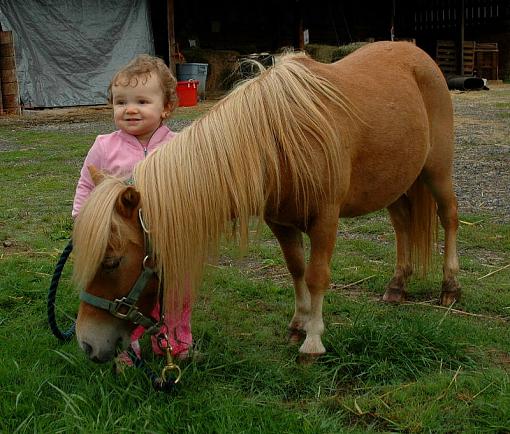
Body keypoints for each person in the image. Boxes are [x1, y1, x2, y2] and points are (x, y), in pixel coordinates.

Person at [72, 54, 192, 362]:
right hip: (125, 239)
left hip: (167, 239)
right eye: (120, 102)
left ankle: (174, 341)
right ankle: (128, 346)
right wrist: (83, 218)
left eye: (142, 101)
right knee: (125, 285)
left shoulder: (178, 147)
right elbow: (87, 184)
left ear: (166, 108)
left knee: (177, 293)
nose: (130, 109)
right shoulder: (104, 146)